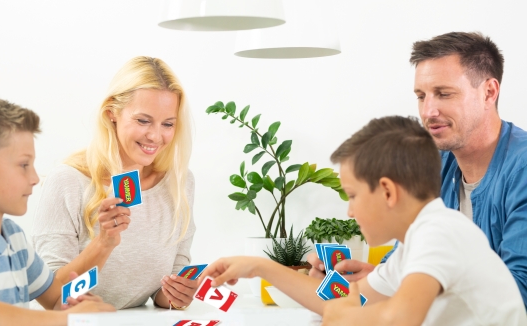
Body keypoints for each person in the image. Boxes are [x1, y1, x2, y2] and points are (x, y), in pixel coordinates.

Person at [202, 116, 526, 325]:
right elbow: (345, 299)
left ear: (386, 191)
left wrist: (342, 316)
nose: (350, 212)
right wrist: (258, 267)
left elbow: (401, 318)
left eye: (352, 196)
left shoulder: (441, 231)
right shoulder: (410, 248)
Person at [308, 31, 527, 308]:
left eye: (444, 94)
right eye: (421, 96)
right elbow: (407, 258)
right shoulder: (434, 162)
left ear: (489, 92)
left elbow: (519, 294)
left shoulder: (522, 168)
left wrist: (404, 294)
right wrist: (374, 280)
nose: (428, 111)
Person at [0, 96, 115, 325]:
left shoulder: (13, 238)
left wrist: (74, 304)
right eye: (24, 165)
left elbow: (54, 296)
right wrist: (65, 319)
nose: (35, 178)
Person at [32, 56, 197, 310]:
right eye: (143, 120)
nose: (155, 136)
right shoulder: (67, 181)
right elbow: (52, 299)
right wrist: (103, 243)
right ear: (112, 114)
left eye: (167, 124)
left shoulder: (179, 184)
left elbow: (164, 293)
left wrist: (178, 294)